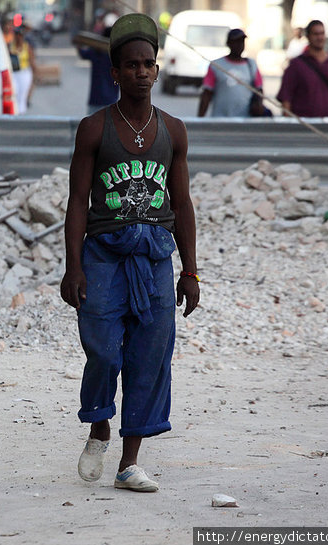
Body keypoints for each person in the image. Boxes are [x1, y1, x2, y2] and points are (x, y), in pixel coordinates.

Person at [60, 13, 199, 493]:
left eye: (149, 64)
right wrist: (72, 265)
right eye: (132, 65)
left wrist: (191, 271)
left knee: (151, 354)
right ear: (115, 72)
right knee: (101, 348)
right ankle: (99, 422)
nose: (142, 71)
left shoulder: (174, 131)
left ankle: (129, 462)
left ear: (157, 70)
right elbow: (78, 200)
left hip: (155, 258)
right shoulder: (94, 129)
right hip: (103, 255)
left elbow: (181, 204)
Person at [276, 19, 328, 117]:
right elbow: (286, 96)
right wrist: (288, 122)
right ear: (308, 36)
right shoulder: (296, 65)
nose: (320, 37)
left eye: (322, 33)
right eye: (315, 34)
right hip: (303, 124)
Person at [197, 28, 265, 117]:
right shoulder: (216, 65)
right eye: (236, 42)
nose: (239, 45)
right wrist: (200, 119)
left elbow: (259, 90)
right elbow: (207, 94)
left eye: (242, 42)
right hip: (220, 120)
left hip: (245, 122)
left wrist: (258, 105)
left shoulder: (252, 65)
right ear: (228, 43)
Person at [73, 17, 119, 115]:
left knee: (93, 128)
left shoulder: (96, 52)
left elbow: (82, 54)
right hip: (112, 100)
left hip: (96, 99)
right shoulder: (118, 55)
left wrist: (78, 44)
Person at [9, 26, 36, 114]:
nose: (18, 37)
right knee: (15, 92)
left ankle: (21, 113)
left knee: (22, 95)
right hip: (13, 73)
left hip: (23, 73)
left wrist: (35, 75)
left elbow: (32, 62)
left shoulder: (27, 47)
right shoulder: (10, 46)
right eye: (17, 35)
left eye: (20, 35)